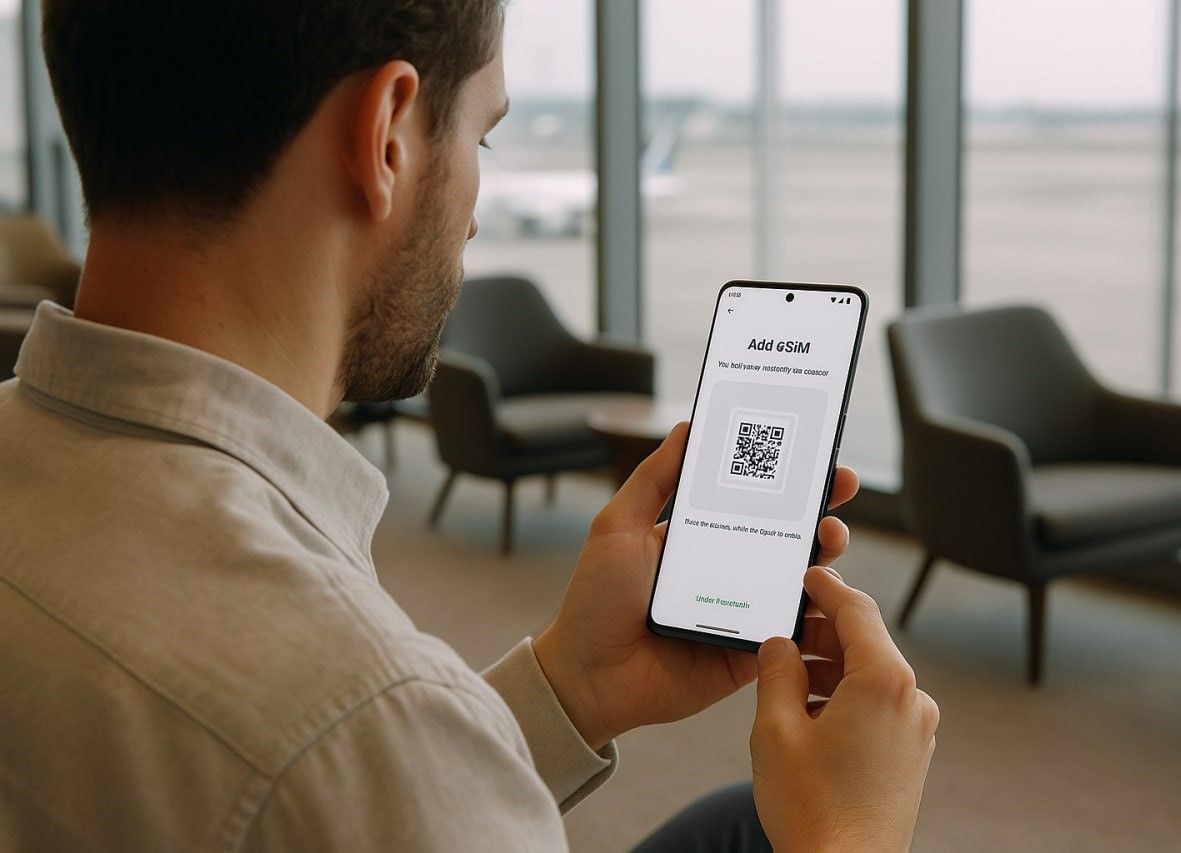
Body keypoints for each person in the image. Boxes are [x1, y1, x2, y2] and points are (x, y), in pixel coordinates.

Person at [0, 1, 938, 850]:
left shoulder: (374, 744)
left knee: (736, 820)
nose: (475, 220)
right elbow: (367, 769)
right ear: (387, 136)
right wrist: (852, 834)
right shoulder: (363, 724)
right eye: (482, 136)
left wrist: (571, 687)